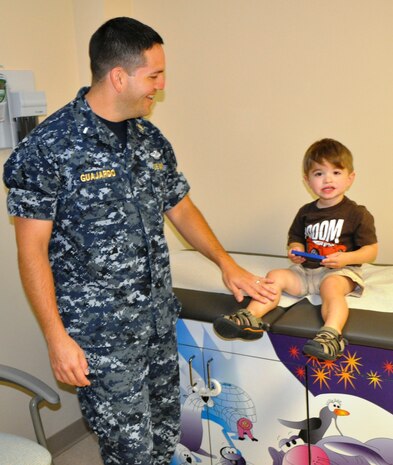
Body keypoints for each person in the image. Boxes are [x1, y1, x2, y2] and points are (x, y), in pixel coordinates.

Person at [2, 17, 276, 465]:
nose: (161, 85)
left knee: (166, 436)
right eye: (154, 75)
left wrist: (228, 265)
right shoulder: (48, 148)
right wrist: (56, 338)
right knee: (130, 453)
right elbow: (30, 250)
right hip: (100, 338)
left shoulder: (149, 139)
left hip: (155, 324)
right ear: (118, 76)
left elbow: (181, 208)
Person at [214, 138, 378, 361]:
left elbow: (370, 251)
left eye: (336, 172)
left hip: (339, 272)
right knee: (274, 277)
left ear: (350, 178)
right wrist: (296, 250)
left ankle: (331, 335)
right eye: (319, 173)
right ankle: (250, 318)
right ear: (307, 181)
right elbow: (296, 239)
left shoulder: (357, 213)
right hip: (305, 272)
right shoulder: (305, 212)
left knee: (331, 287)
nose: (327, 179)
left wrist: (346, 258)